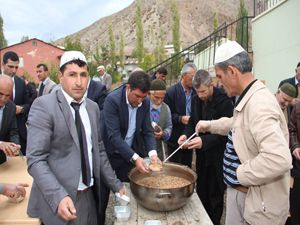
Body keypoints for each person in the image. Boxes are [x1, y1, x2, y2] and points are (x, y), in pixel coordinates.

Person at [195, 40, 292, 225]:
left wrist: (238, 173)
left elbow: (279, 158)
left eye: (219, 76)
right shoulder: (249, 96)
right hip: (242, 193)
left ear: (232, 71)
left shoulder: (259, 104)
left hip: (255, 201)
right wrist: (209, 125)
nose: (218, 83)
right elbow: (239, 123)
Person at [26, 51, 125, 225]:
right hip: (59, 202)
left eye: (83, 75)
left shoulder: (93, 108)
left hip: (89, 196)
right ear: (60, 77)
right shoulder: (44, 106)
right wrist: (58, 196)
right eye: (72, 75)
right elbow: (35, 159)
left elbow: (99, 151)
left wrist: (116, 185)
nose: (79, 82)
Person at [100, 70, 161, 224]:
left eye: (143, 97)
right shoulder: (112, 100)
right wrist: (136, 158)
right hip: (108, 152)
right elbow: (114, 136)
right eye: (137, 96)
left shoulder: (145, 102)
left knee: (126, 192)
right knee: (102, 195)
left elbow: (147, 130)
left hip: (127, 153)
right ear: (128, 87)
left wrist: (153, 154)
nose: (140, 101)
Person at [178, 69, 233, 225]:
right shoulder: (196, 100)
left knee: (215, 194)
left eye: (203, 91)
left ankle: (214, 221)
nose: (200, 95)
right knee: (202, 190)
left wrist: (205, 141)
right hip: (202, 156)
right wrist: (185, 135)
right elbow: (192, 123)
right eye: (197, 92)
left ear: (212, 85)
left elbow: (227, 132)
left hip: (218, 155)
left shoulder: (224, 101)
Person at [164, 62, 197, 167]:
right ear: (183, 76)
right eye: (192, 77)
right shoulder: (171, 92)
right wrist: (180, 118)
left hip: (189, 135)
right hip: (175, 137)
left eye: (195, 77)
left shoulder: (196, 92)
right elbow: (167, 116)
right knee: (174, 168)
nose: (194, 80)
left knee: (187, 167)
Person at [1, 51, 30, 155]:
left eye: (16, 67)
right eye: (10, 66)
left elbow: (28, 104)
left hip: (18, 131)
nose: (14, 70)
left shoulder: (21, 82)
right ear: (3, 64)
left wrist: (21, 109)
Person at [149, 79, 172, 160]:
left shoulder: (166, 108)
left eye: (162, 98)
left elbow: (169, 127)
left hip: (159, 151)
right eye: (156, 97)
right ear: (149, 94)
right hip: (142, 150)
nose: (159, 101)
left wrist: (163, 134)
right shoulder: (142, 106)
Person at [0, 75, 20, 164]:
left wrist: (15, 145)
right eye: (0, 94)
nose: (3, 99)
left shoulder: (11, 107)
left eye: (7, 95)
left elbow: (13, 131)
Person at [288, 103, 300, 225]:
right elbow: (292, 129)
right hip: (298, 168)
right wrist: (295, 146)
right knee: (295, 209)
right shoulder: (297, 107)